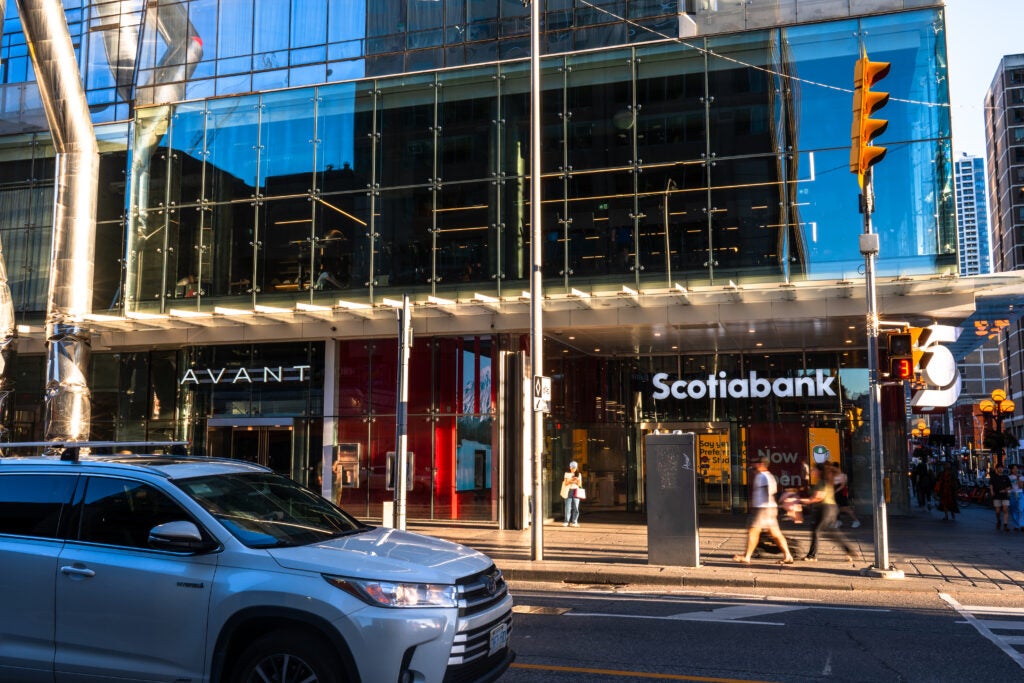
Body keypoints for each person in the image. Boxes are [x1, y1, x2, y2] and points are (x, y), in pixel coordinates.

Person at [733, 456, 794, 565]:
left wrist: (760, 505)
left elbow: (767, 492)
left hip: (762, 508)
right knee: (775, 533)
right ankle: (788, 555)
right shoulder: (768, 475)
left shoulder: (762, 477)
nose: (752, 464)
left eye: (754, 462)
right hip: (770, 508)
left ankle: (747, 556)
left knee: (753, 531)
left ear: (760, 464)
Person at [800, 462, 855, 562]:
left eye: (814, 469)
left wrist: (802, 501)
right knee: (831, 532)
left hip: (826, 508)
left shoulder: (822, 482)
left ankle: (812, 556)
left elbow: (818, 497)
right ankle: (849, 549)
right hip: (828, 508)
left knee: (817, 531)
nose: (812, 471)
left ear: (819, 471)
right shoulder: (823, 481)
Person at [990, 463, 1012, 531]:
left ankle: (1005, 525)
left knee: (1005, 509)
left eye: (1001, 468)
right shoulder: (993, 477)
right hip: (997, 495)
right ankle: (999, 520)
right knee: (997, 511)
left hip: (1005, 495)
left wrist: (1006, 490)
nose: (1000, 469)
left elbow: (1010, 486)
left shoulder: (1006, 477)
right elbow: (991, 485)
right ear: (996, 469)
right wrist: (992, 492)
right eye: (999, 468)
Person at [560, 461, 583, 527]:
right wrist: (572, 480)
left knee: (576, 507)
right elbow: (566, 483)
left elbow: (580, 485)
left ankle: (574, 522)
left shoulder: (579, 474)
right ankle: (566, 521)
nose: (573, 469)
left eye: (575, 467)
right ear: (570, 467)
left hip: (576, 490)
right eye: (572, 467)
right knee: (568, 507)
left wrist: (578, 481)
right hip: (568, 491)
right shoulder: (567, 474)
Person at [1009, 464, 1024, 531]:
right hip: (1012, 494)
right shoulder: (1009, 477)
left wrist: (1018, 479)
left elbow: (1021, 487)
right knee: (1013, 510)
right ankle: (1016, 525)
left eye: (1016, 468)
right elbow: (1008, 487)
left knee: (1021, 509)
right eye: (1014, 468)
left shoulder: (1021, 477)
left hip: (1020, 493)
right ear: (1011, 470)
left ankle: (1022, 524)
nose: (1015, 470)